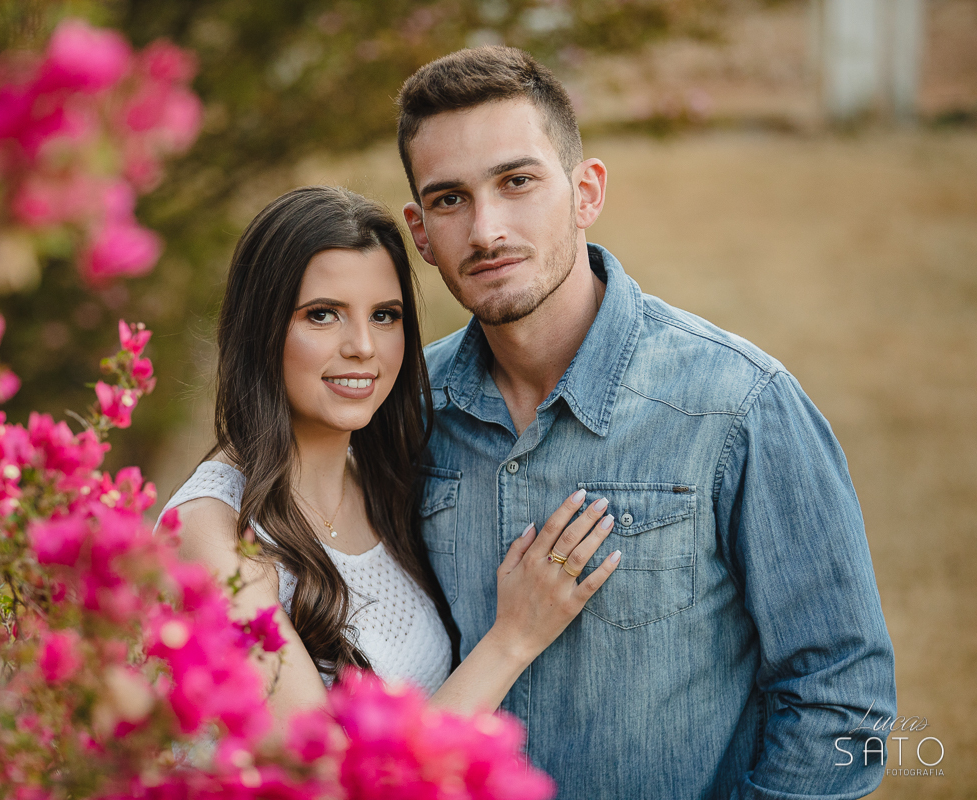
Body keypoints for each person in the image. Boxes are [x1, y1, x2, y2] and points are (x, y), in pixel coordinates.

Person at [396, 46, 897, 800]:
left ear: (585, 191)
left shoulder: (739, 404)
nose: (486, 229)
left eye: (517, 181)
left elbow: (840, 694)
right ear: (419, 231)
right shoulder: (405, 413)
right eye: (449, 199)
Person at [156, 185, 621, 726]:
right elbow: (328, 781)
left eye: (384, 315)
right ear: (261, 328)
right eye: (323, 315)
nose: (363, 346)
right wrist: (513, 639)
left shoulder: (385, 484)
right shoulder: (209, 530)